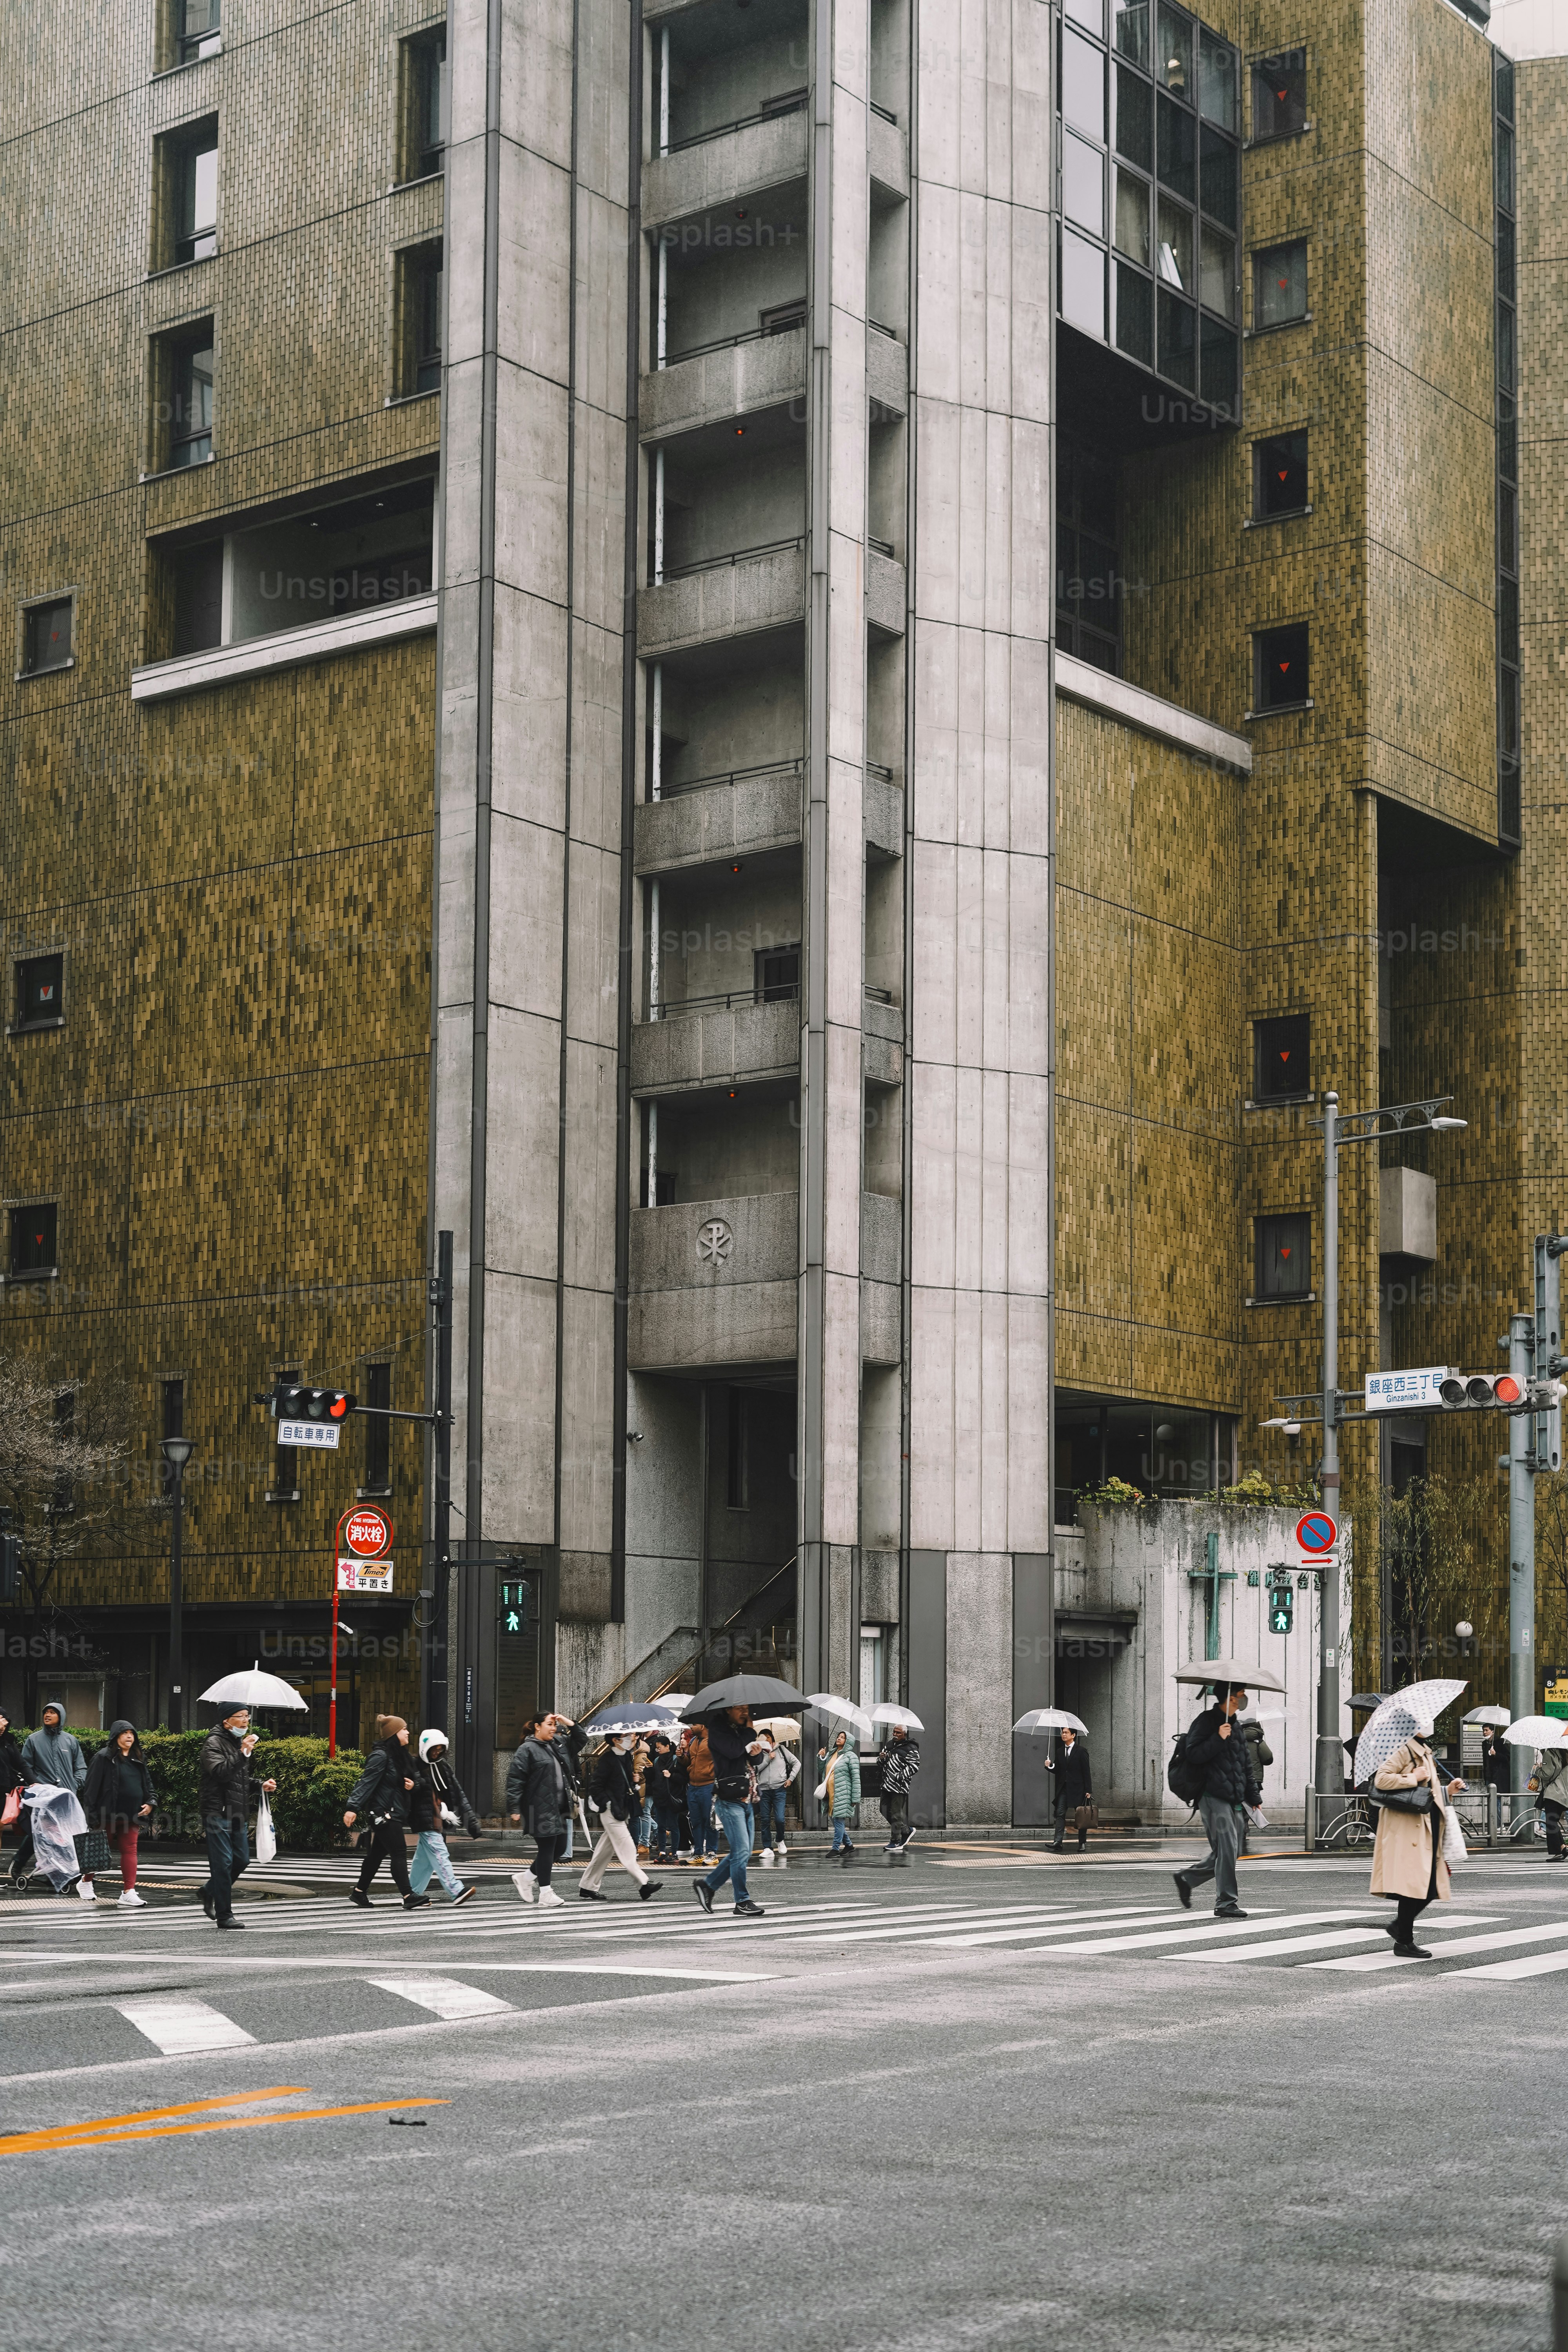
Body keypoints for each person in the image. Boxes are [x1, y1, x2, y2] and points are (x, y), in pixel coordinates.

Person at [1370, 1718, 1466, 1954]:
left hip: (1425, 1826)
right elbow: (1381, 1780)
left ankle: (1402, 1936)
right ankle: (1403, 1936)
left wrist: (1448, 1790)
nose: (1429, 1724)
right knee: (1421, 1886)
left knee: (1423, 1886)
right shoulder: (1403, 1749)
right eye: (1424, 1721)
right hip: (1408, 1829)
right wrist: (1413, 1776)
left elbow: (1427, 1793)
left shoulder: (1423, 1751)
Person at [1172, 1682, 1259, 1920]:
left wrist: (1254, 1796)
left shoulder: (1238, 1726)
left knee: (1233, 1849)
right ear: (1230, 1698)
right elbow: (1194, 1755)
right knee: (1228, 1849)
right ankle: (1226, 1903)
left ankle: (1187, 1878)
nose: (1243, 1698)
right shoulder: (1207, 1721)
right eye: (1241, 1694)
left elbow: (1245, 1766)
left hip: (1234, 1797)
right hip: (1212, 1795)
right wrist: (1218, 1738)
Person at [196, 1705, 278, 1930]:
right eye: (240, 1717)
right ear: (226, 1722)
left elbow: (238, 1781)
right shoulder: (213, 1743)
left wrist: (260, 1784)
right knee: (223, 1864)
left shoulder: (236, 1743)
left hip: (236, 1812)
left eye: (247, 1716)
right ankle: (225, 1915)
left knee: (242, 1860)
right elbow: (221, 1773)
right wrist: (242, 1753)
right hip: (217, 1812)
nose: (245, 1721)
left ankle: (208, 1890)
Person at [343, 1715, 430, 1910]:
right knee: (399, 1852)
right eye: (404, 1729)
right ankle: (408, 1896)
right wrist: (352, 1808)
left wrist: (414, 1785)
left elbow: (419, 1780)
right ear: (394, 1734)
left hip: (396, 1812)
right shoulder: (380, 1756)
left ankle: (359, 1893)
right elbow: (366, 1783)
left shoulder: (404, 1757)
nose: (408, 1732)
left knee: (376, 1856)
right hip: (383, 1814)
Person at [507, 1710, 587, 1907]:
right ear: (537, 1727)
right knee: (547, 1849)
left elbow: (581, 1738)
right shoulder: (527, 1750)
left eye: (555, 1725)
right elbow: (515, 1780)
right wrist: (514, 1808)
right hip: (538, 1807)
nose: (554, 1728)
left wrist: (567, 1722)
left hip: (559, 1806)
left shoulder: (559, 1744)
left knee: (559, 1850)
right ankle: (546, 1893)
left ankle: (526, 1878)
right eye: (549, 1725)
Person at [693, 1705, 766, 1917]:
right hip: (729, 1800)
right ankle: (742, 1901)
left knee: (740, 1854)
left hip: (747, 1799)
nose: (746, 1713)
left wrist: (757, 1753)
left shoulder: (738, 1733)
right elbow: (734, 1751)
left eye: (747, 1709)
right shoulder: (718, 1730)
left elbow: (752, 1761)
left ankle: (707, 1886)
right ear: (727, 1710)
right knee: (742, 1852)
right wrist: (751, 1733)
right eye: (740, 1709)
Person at [578, 1735, 662, 1902]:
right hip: (611, 1811)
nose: (631, 1739)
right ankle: (643, 1884)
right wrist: (608, 1803)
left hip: (621, 1810)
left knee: (603, 1852)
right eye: (626, 1737)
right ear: (615, 1740)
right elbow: (596, 1786)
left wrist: (634, 1781)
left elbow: (622, 1784)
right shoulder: (607, 1759)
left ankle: (588, 1887)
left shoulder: (625, 1756)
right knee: (628, 1848)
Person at [21, 1703, 93, 1899]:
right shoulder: (33, 1740)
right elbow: (25, 1766)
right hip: (44, 1800)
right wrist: (38, 1786)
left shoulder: (70, 1741)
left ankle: (62, 1871)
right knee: (45, 1835)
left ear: (61, 1716)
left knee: (69, 1834)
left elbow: (81, 1768)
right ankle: (47, 1871)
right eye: (46, 1712)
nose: (48, 1715)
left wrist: (76, 1784)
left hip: (67, 1799)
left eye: (53, 1713)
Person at [82, 1720, 155, 1909]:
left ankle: (129, 1892)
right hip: (107, 1814)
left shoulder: (138, 1758)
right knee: (100, 1853)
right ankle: (86, 1882)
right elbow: (91, 1790)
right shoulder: (103, 1758)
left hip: (132, 1814)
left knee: (130, 1850)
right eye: (125, 1733)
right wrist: (92, 1817)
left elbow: (148, 1785)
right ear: (116, 1737)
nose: (129, 1737)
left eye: (132, 1734)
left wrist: (150, 1802)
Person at [408, 1729, 479, 1905]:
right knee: (440, 1854)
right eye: (434, 1748)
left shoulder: (443, 1766)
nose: (437, 1752)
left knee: (424, 1861)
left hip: (439, 1818)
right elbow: (411, 1789)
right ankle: (455, 1890)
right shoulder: (414, 1765)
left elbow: (458, 1792)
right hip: (425, 1819)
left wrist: (470, 1819)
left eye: (440, 1749)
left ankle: (412, 1893)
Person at [755, 1729, 801, 1864]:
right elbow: (755, 1769)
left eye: (768, 1737)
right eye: (762, 1737)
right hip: (763, 1790)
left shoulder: (781, 1750)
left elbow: (797, 1763)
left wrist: (791, 1779)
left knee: (780, 1819)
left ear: (772, 1738)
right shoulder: (758, 1753)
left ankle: (780, 1839)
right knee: (765, 1820)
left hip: (780, 1789)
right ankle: (767, 1848)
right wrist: (768, 1759)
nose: (766, 1740)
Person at [1045, 1725, 1092, 1854]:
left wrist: (1088, 1790)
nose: (1063, 1735)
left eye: (1066, 1733)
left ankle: (1082, 1843)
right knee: (1060, 1814)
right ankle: (1058, 1842)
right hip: (1064, 1789)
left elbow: (1086, 1771)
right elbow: (1058, 1770)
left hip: (1078, 1789)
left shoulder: (1081, 1751)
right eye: (1062, 1733)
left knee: (1081, 1817)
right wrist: (1049, 1766)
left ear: (1073, 1735)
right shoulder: (1060, 1751)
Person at [817, 1727, 861, 1857]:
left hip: (843, 1794)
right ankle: (849, 1846)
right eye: (839, 1736)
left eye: (843, 1737)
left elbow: (856, 1778)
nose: (839, 1738)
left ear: (848, 1742)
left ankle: (835, 1849)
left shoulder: (851, 1757)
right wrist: (821, 1758)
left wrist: (855, 1798)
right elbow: (823, 1771)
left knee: (839, 1821)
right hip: (830, 1794)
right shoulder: (832, 1753)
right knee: (835, 1821)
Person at [877, 1724, 921, 1852]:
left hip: (900, 1787)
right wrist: (882, 1759)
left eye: (898, 1733)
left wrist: (899, 1777)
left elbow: (915, 1766)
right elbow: (880, 1763)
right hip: (886, 1785)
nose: (895, 1735)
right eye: (894, 1732)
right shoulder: (890, 1745)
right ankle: (906, 1831)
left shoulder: (911, 1748)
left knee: (896, 1814)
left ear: (905, 1735)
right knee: (883, 1809)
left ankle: (896, 1841)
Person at [0, 1707, 31, 1883]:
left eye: (5, 1721)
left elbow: (21, 1763)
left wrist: (34, 1782)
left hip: (5, 1791)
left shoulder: (8, 1741)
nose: (3, 1725)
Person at [645, 1733, 684, 1863]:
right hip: (659, 1796)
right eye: (656, 1748)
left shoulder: (676, 1760)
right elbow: (652, 1779)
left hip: (672, 1797)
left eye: (660, 1747)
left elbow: (683, 1779)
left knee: (673, 1826)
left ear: (668, 1747)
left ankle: (674, 1852)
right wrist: (649, 1770)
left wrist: (671, 1775)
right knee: (661, 1826)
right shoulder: (657, 1761)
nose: (658, 1750)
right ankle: (662, 1851)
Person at [682, 1721, 718, 1865]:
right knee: (696, 1821)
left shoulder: (714, 1741)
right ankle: (698, 1852)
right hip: (693, 1786)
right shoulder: (693, 1741)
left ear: (703, 1726)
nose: (692, 1727)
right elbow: (689, 1763)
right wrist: (681, 1757)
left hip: (708, 1786)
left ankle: (712, 1852)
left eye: (695, 1725)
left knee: (710, 1821)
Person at [1237, 1713, 1272, 1855]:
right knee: (1252, 1805)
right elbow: (1268, 1759)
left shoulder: (1236, 1739)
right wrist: (1262, 1744)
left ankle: (1239, 1830)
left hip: (1239, 1778)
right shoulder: (1258, 1741)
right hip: (1255, 1779)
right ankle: (1244, 1830)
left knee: (1240, 1805)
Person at [1529, 1742, 1568, 1862]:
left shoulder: (1549, 1753)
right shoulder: (1564, 1754)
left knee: (1551, 1823)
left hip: (1554, 1793)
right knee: (1553, 1822)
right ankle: (1562, 1849)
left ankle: (1558, 1852)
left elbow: (1547, 1774)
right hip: (1563, 1793)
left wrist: (1538, 1769)